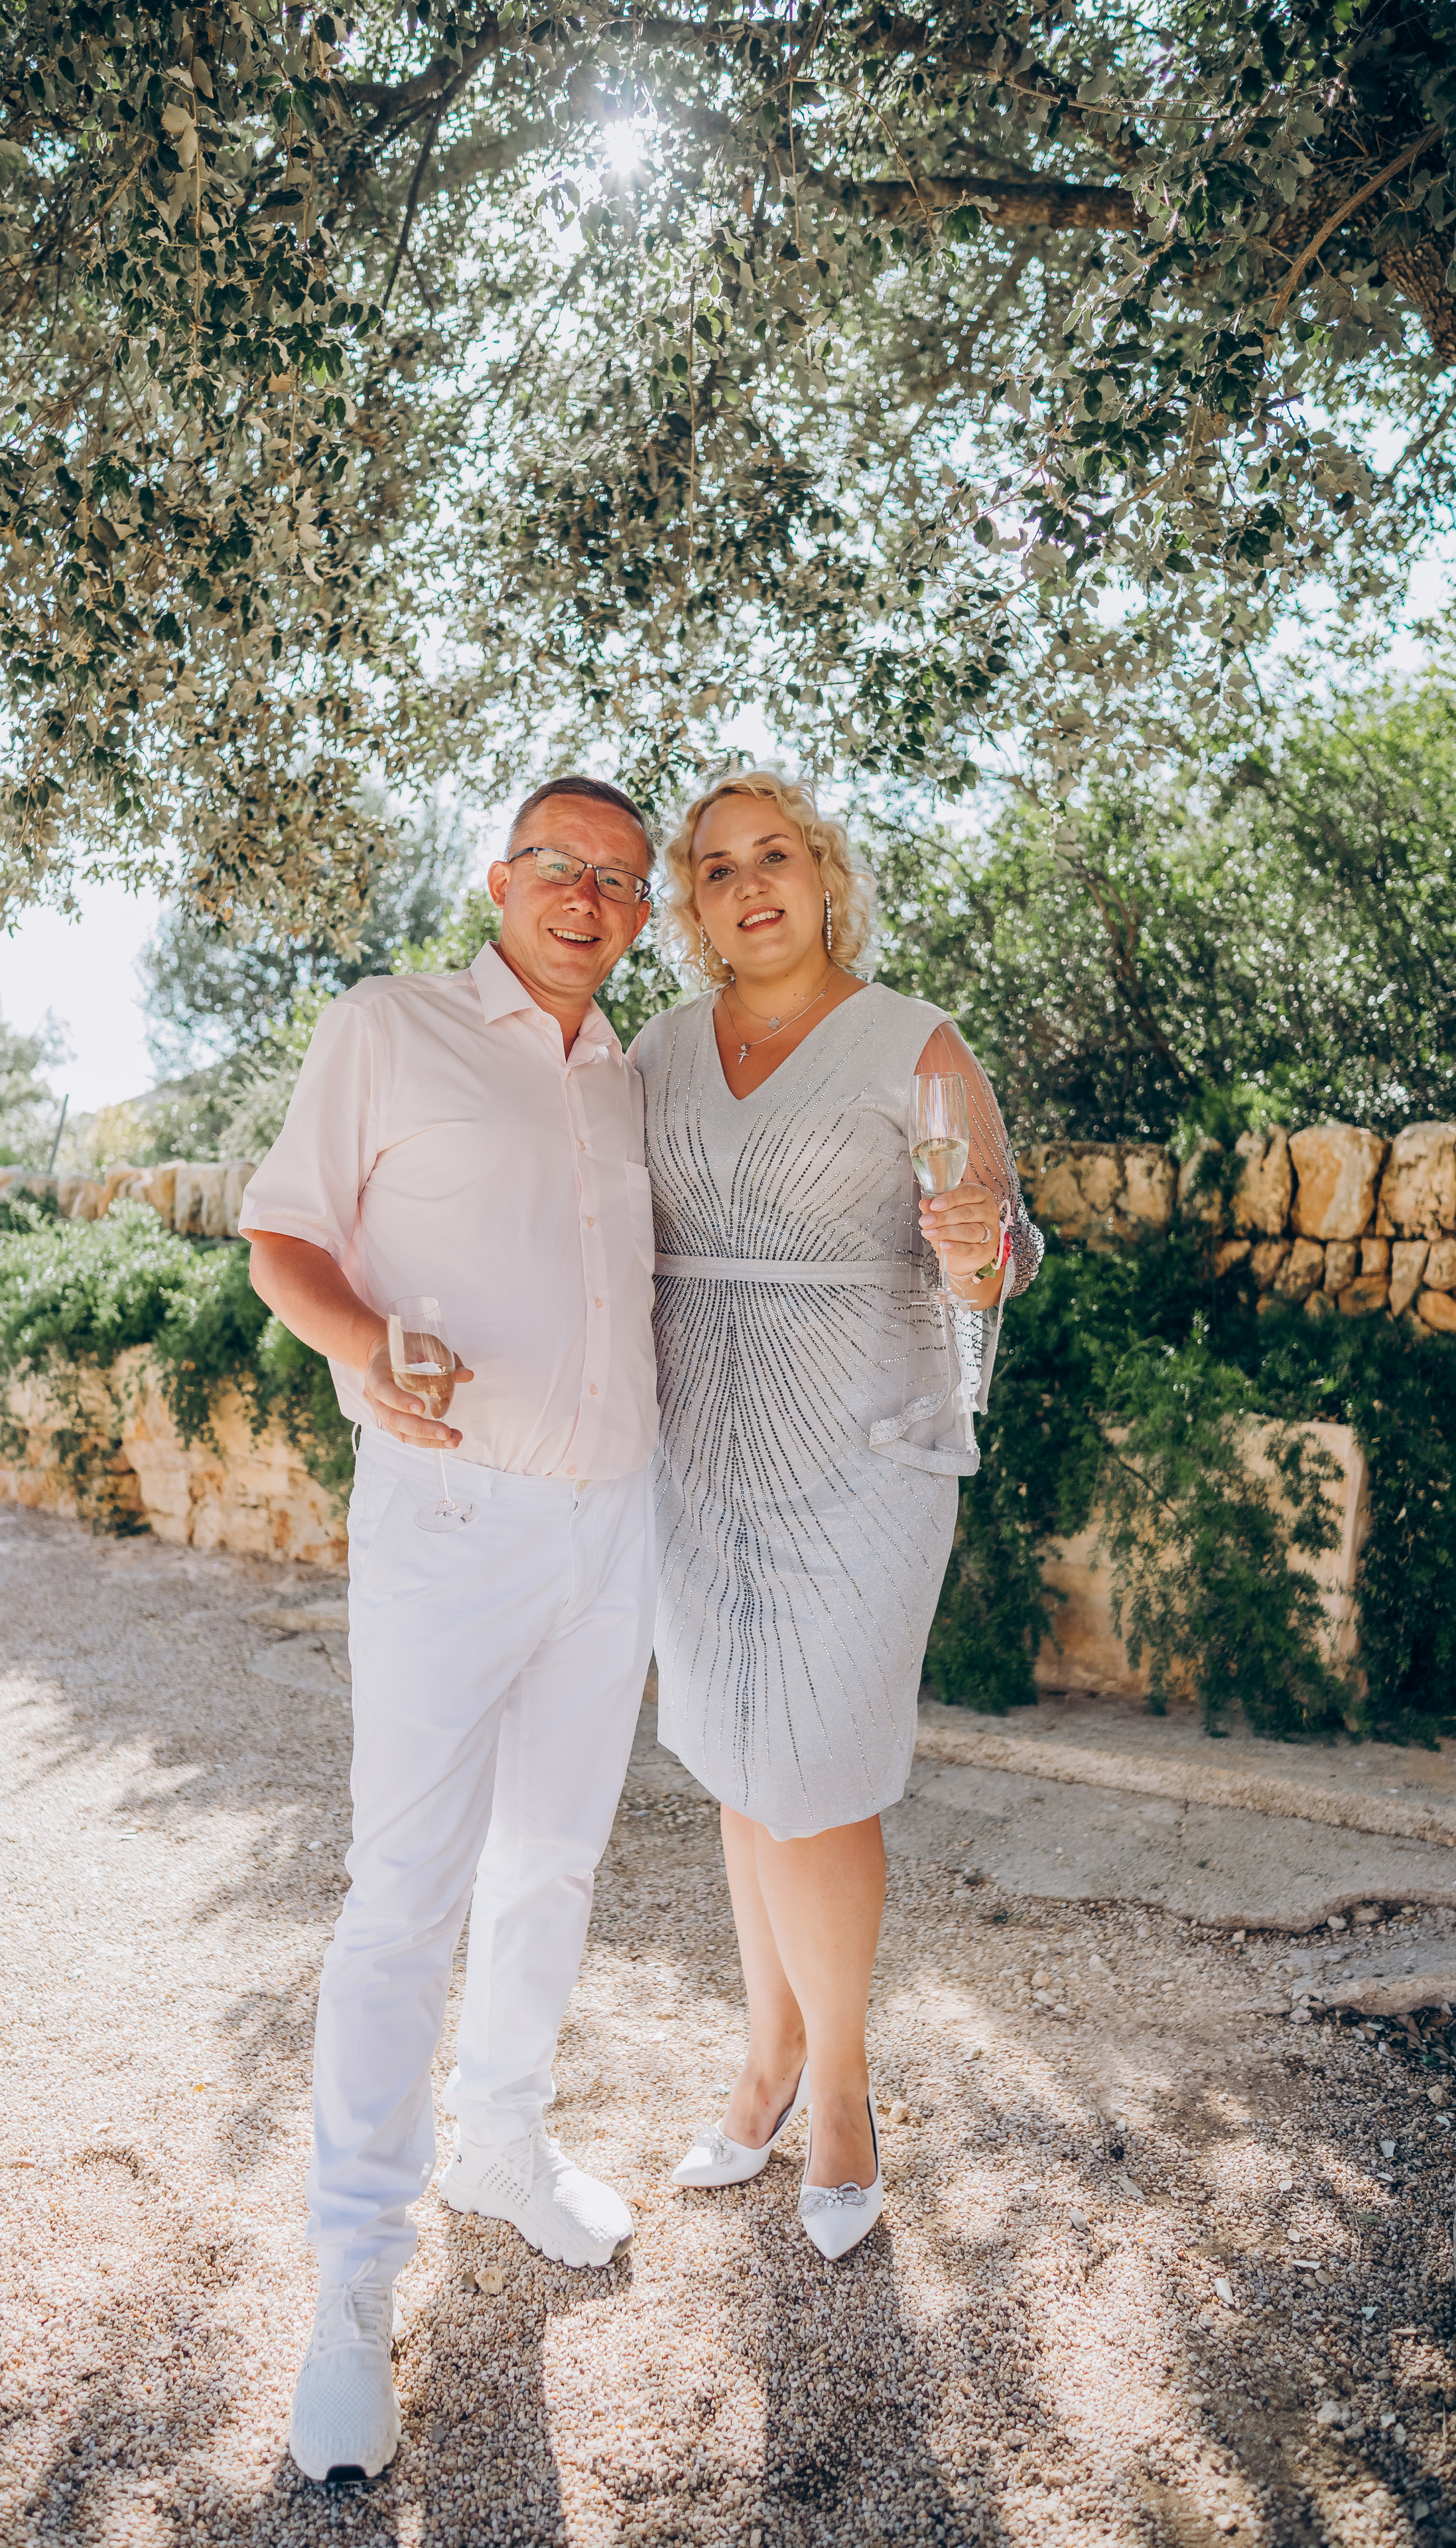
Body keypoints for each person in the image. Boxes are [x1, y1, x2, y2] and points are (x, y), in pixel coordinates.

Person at [239, 776, 660, 2480]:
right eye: (559, 864)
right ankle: (353, 2286)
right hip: (450, 1519)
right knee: (401, 1894)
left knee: (551, 1860)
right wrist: (367, 1346)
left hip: (613, 1524)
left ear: (641, 914)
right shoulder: (387, 1025)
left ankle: (501, 2144)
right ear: (500, 880)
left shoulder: (634, 1073)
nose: (587, 896)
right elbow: (281, 1242)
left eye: (620, 879)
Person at [630, 770, 1042, 2261]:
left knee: (816, 1770)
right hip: (697, 1449)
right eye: (717, 866)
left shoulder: (914, 1039)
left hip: (862, 1450)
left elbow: (994, 1258)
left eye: (776, 856)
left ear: (822, 875)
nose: (751, 885)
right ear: (693, 903)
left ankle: (844, 2101)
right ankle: (765, 2062)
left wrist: (979, 1248)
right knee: (742, 1767)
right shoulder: (657, 1050)